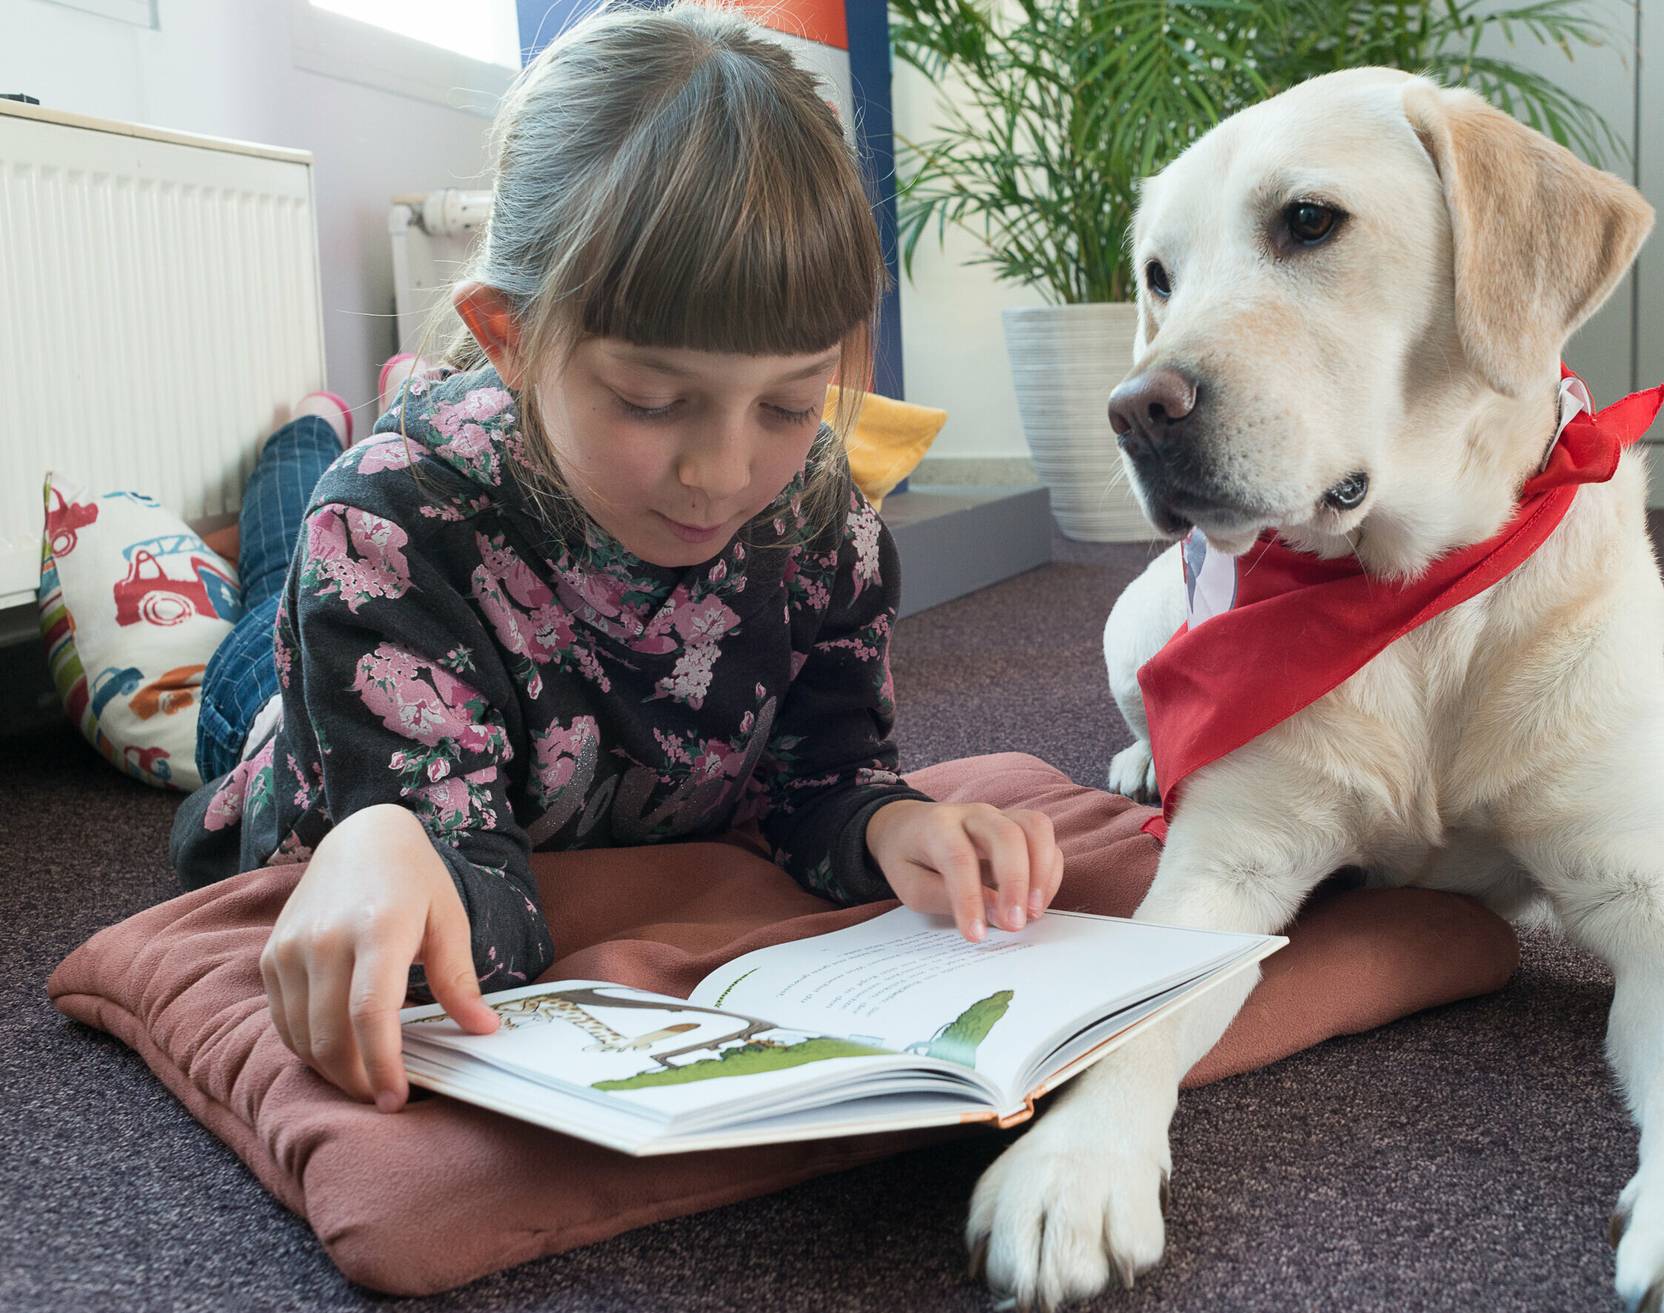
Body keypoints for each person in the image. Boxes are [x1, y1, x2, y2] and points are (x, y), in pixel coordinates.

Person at [169, 2, 1062, 1114]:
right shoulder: (386, 529)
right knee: (238, 627)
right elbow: (464, 908)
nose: (724, 473)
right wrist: (388, 837)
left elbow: (822, 778)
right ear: (509, 333)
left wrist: (892, 823)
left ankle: (318, 435)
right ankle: (297, 447)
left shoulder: (821, 513)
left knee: (296, 552)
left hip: (429, 561)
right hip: (297, 698)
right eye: (652, 399)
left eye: (789, 401)